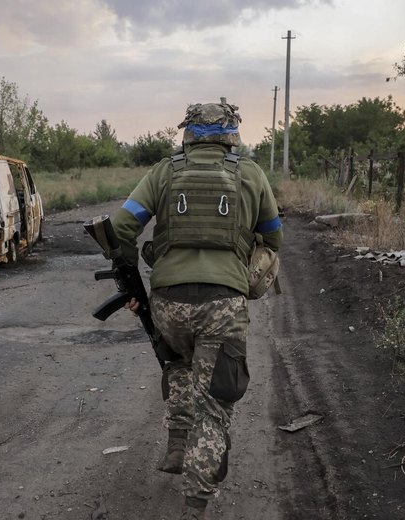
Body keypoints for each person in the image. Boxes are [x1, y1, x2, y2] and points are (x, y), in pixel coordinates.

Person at [111, 98, 283, 519]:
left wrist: (131, 275)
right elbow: (274, 239)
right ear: (231, 134)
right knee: (216, 403)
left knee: (178, 364)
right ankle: (195, 505)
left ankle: (176, 446)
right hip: (223, 305)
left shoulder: (163, 172)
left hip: (169, 302)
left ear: (187, 134)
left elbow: (120, 226)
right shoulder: (252, 174)